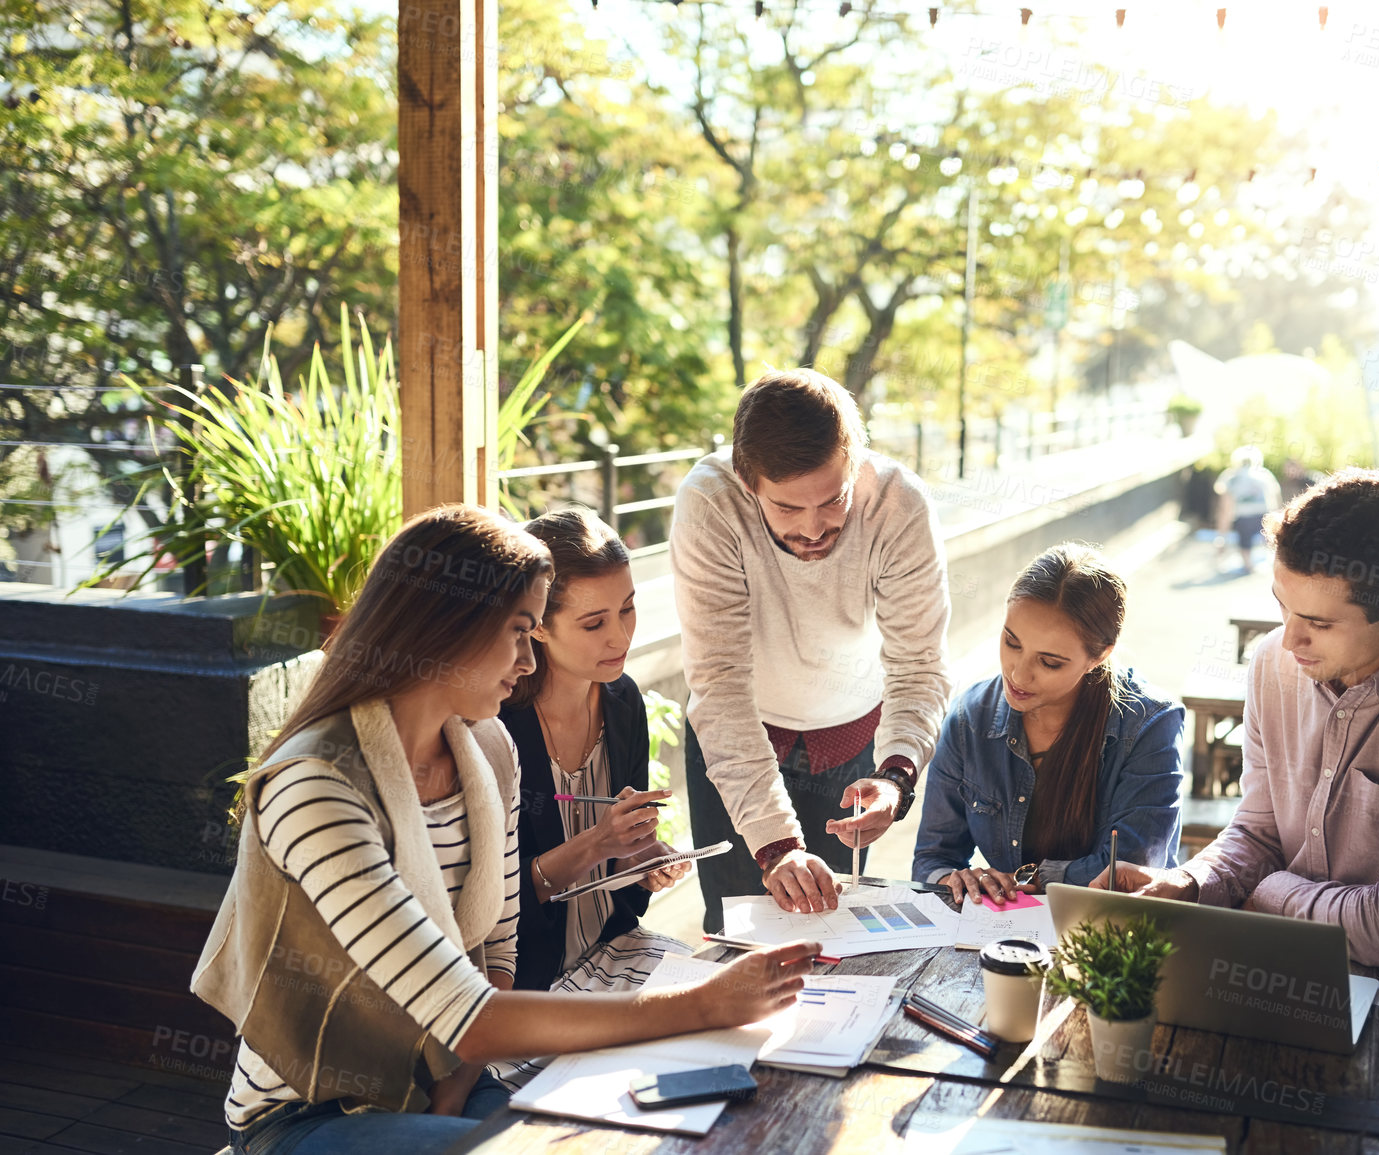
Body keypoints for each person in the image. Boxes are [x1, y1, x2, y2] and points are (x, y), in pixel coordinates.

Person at [192, 505, 816, 1154]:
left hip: (448, 1076)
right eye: (519, 631)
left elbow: (495, 958)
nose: (526, 661)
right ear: (445, 624)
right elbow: (468, 1012)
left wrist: (457, 1094)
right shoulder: (316, 784)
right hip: (311, 1110)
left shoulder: (487, 748)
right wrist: (704, 1003)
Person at [1093, 470, 1379, 971]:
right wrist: (1191, 883)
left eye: (1319, 624)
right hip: (1271, 962)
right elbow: (1260, 832)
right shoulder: (1273, 663)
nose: (1290, 640)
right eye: (1283, 607)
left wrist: (1269, 892)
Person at [671, 368, 952, 933]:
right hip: (735, 742)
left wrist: (896, 774)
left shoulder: (901, 506)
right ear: (749, 485)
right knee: (734, 934)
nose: (814, 528)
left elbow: (918, 664)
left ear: (855, 465)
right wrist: (775, 846)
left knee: (833, 932)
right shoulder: (710, 502)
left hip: (852, 742)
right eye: (787, 509)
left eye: (832, 501)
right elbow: (720, 684)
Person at [490, 508, 696, 1089]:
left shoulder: (624, 701)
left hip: (611, 950)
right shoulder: (499, 723)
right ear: (538, 627)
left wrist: (639, 857)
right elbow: (497, 904)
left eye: (628, 608)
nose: (621, 636)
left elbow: (621, 889)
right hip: (527, 987)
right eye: (594, 623)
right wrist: (595, 845)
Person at [913, 543, 1184, 904]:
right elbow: (932, 859)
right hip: (1002, 930)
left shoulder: (1150, 726)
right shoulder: (969, 718)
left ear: (1100, 654)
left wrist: (1026, 878)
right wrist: (956, 878)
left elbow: (1127, 873)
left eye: (1050, 662)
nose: (1018, 673)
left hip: (1108, 933)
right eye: (1011, 642)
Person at [1214, 445, 1284, 573]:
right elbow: (1276, 501)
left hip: (1243, 517)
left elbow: (1225, 508)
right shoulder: (1265, 475)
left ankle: (1248, 565)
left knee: (1244, 543)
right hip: (1264, 515)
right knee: (1269, 542)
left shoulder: (1231, 477)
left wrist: (1222, 536)